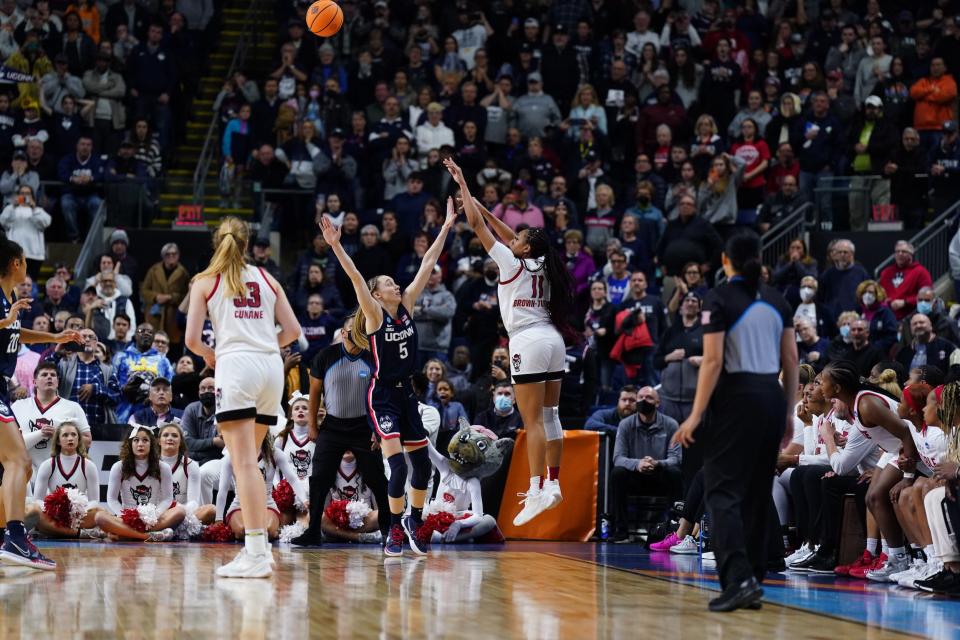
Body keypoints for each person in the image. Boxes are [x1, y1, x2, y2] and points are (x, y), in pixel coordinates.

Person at [319, 195, 454, 557]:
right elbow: (355, 277)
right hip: (382, 396)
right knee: (397, 467)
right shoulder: (376, 316)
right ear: (378, 294)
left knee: (423, 467)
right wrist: (336, 247)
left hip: (408, 394)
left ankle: (415, 518)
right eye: (390, 284)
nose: (397, 286)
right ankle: (394, 529)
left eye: (396, 283)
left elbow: (428, 261)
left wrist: (445, 227)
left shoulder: (407, 305)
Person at [674, 231, 798, 612]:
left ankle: (737, 578)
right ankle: (754, 580)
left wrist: (694, 415)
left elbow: (711, 361)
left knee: (721, 491)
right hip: (772, 397)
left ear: (726, 260)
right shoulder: (778, 300)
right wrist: (789, 412)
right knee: (757, 493)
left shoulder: (720, 298)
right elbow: (791, 360)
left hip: (737, 397)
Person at [448, 158, 575, 528]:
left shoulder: (510, 263)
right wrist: (485, 206)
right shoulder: (545, 265)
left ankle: (535, 489)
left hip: (527, 341)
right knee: (552, 417)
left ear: (523, 248)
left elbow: (476, 227)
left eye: (517, 239)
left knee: (532, 420)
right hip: (553, 341)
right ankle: (553, 482)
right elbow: (508, 234)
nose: (511, 239)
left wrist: (465, 187)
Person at [185, 217, 301, 579]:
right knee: (251, 460)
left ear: (215, 242)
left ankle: (255, 551)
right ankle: (258, 550)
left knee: (244, 463)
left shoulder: (205, 280)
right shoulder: (268, 279)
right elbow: (294, 331)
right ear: (248, 244)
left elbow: (191, 341)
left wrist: (212, 355)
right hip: (271, 368)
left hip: (236, 366)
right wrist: (264, 346)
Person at [0, 238, 82, 570]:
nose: (28, 267)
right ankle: (16, 538)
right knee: (19, 461)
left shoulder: (8, 300)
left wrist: (54, 338)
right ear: (16, 263)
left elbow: (18, 335)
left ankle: (6, 537)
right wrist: (6, 322)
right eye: (25, 261)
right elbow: (8, 328)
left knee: (14, 465)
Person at [290, 317, 390, 547]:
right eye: (354, 329)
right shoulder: (325, 357)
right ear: (344, 333)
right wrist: (313, 425)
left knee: (377, 480)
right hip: (333, 426)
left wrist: (377, 429)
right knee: (319, 480)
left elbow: (380, 397)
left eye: (361, 329)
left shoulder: (373, 358)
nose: (359, 332)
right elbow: (314, 393)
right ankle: (313, 531)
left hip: (363, 427)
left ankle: (388, 529)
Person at [609, 386, 682, 542]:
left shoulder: (671, 424)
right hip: (635, 476)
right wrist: (638, 464)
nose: (643, 400)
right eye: (640, 397)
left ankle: (674, 531)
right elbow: (618, 458)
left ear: (657, 402)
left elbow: (676, 457)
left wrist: (657, 463)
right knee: (617, 473)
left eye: (648, 398)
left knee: (675, 473)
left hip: (659, 476)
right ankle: (621, 532)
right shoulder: (626, 425)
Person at [94, 425, 186, 541]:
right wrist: (125, 516)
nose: (140, 444)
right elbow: (112, 499)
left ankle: (125, 534)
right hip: (127, 519)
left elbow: (167, 498)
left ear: (152, 444)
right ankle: (149, 536)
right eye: (136, 440)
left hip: (153, 519)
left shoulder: (163, 467)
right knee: (100, 517)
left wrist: (154, 515)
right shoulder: (118, 467)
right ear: (130, 444)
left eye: (145, 440)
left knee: (180, 512)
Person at [13, 361, 92, 475]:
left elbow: (87, 442)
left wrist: (59, 436)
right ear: (34, 382)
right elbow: (8, 442)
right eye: (44, 375)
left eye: (53, 375)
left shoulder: (73, 407)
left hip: (60, 472)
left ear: (58, 382)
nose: (49, 377)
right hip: (24, 472)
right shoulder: (18, 406)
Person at [26, 421, 101, 538]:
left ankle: (56, 531)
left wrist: (78, 512)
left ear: (79, 439)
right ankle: (82, 534)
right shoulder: (47, 465)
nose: (70, 438)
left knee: (100, 514)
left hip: (80, 515)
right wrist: (56, 511)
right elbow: (38, 500)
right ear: (57, 440)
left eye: (73, 435)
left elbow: (94, 501)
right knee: (34, 512)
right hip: (54, 515)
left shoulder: (89, 465)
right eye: (65, 435)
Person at [159, 422, 215, 525]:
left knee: (211, 510)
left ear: (180, 442)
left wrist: (178, 510)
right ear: (158, 441)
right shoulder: (150, 464)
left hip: (183, 514)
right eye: (166, 435)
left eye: (175, 435)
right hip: (158, 513)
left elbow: (193, 502)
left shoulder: (191, 465)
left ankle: (167, 528)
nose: (170, 438)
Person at [877, 240, 933, 321]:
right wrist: (887, 301)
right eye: (897, 251)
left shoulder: (921, 272)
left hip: (911, 317)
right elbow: (880, 295)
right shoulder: (886, 272)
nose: (900, 254)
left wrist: (905, 302)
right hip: (888, 317)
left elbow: (928, 295)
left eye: (903, 252)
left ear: (911, 254)